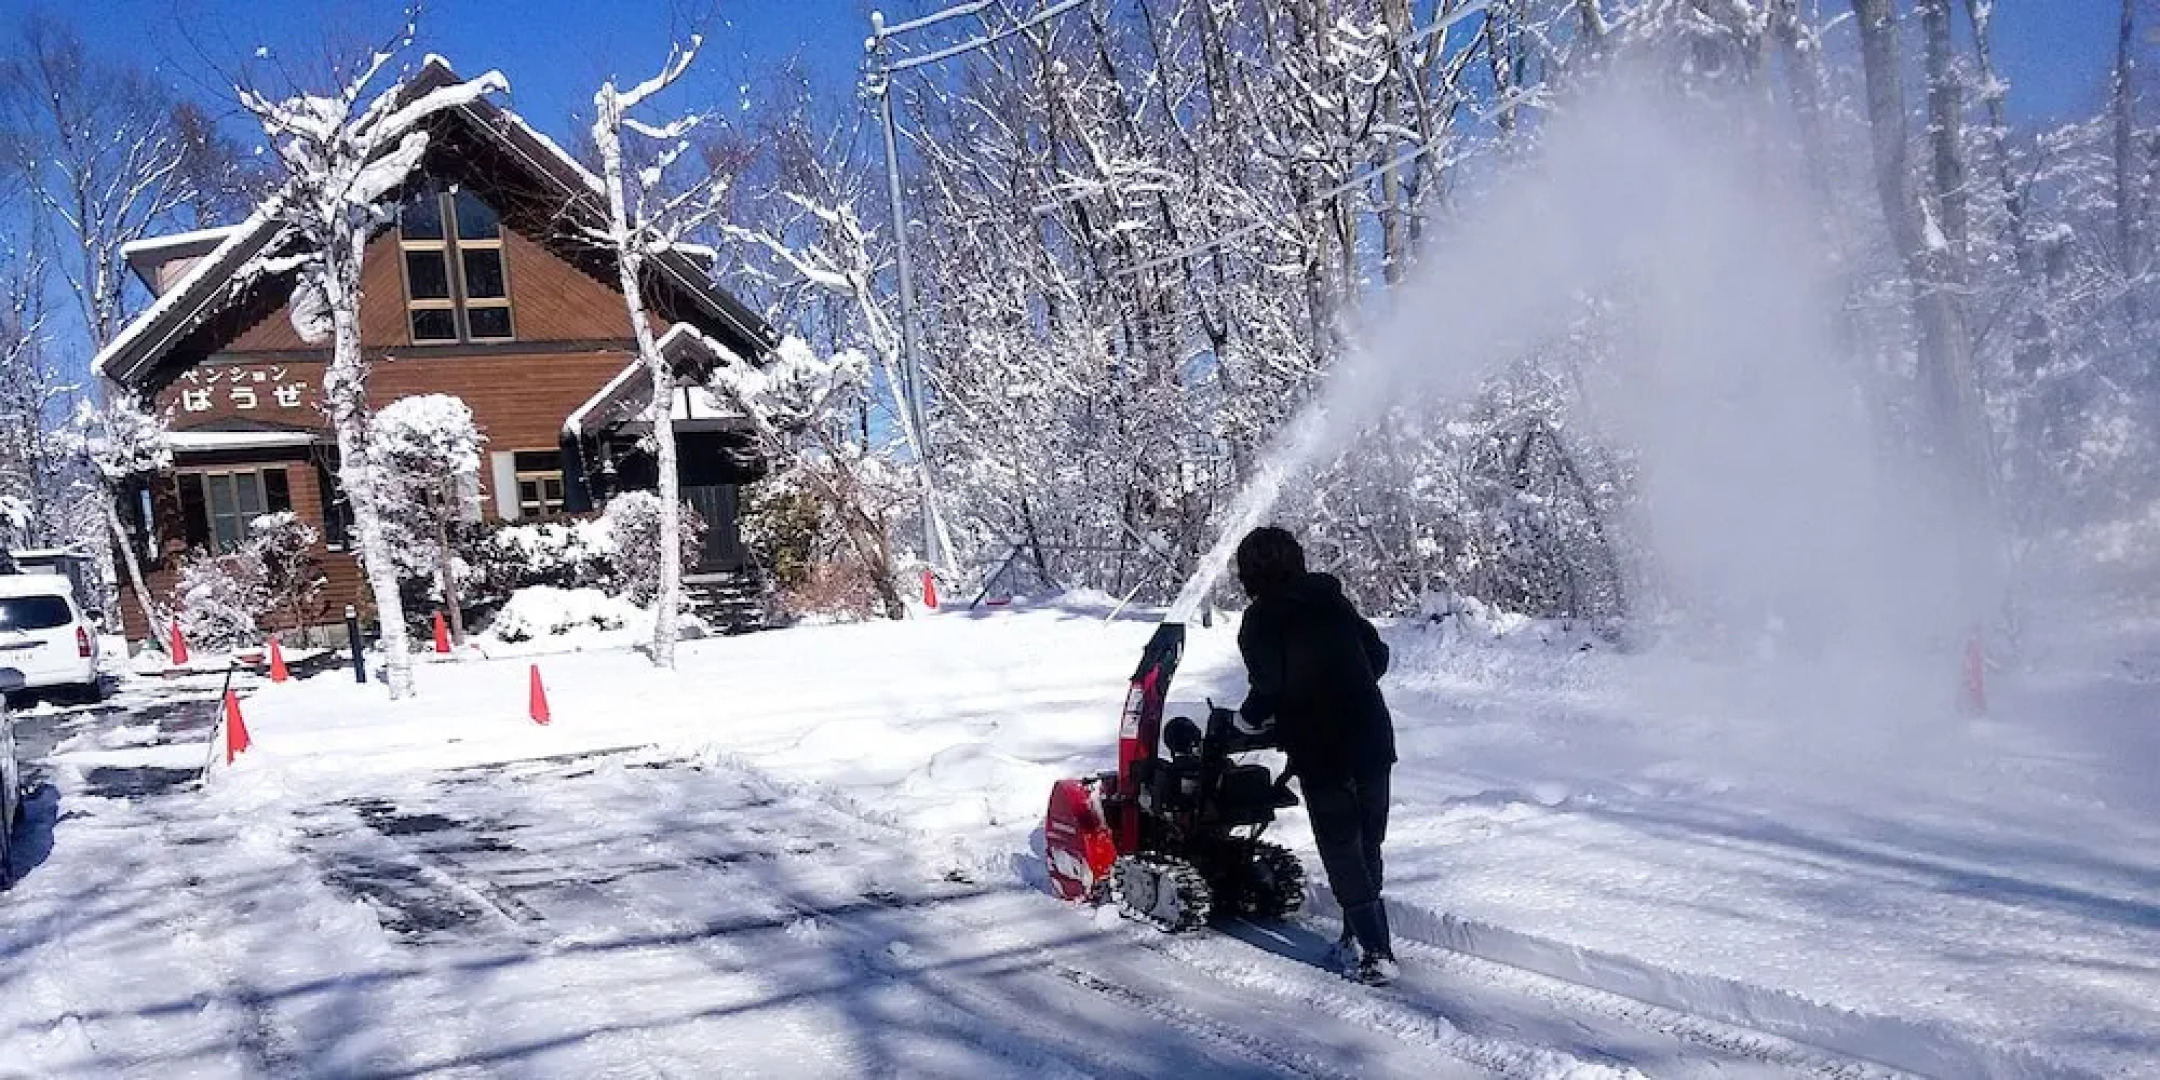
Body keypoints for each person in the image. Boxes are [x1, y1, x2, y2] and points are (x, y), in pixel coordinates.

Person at [1232, 525, 1399, 985]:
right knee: (1368, 841)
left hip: (1324, 747)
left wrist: (1246, 720)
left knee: (1341, 848)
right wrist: (1344, 680)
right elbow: (1378, 657)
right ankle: (1355, 938)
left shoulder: (1261, 619)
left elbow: (1268, 685)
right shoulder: (1332, 600)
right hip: (1371, 736)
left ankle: (1376, 953)